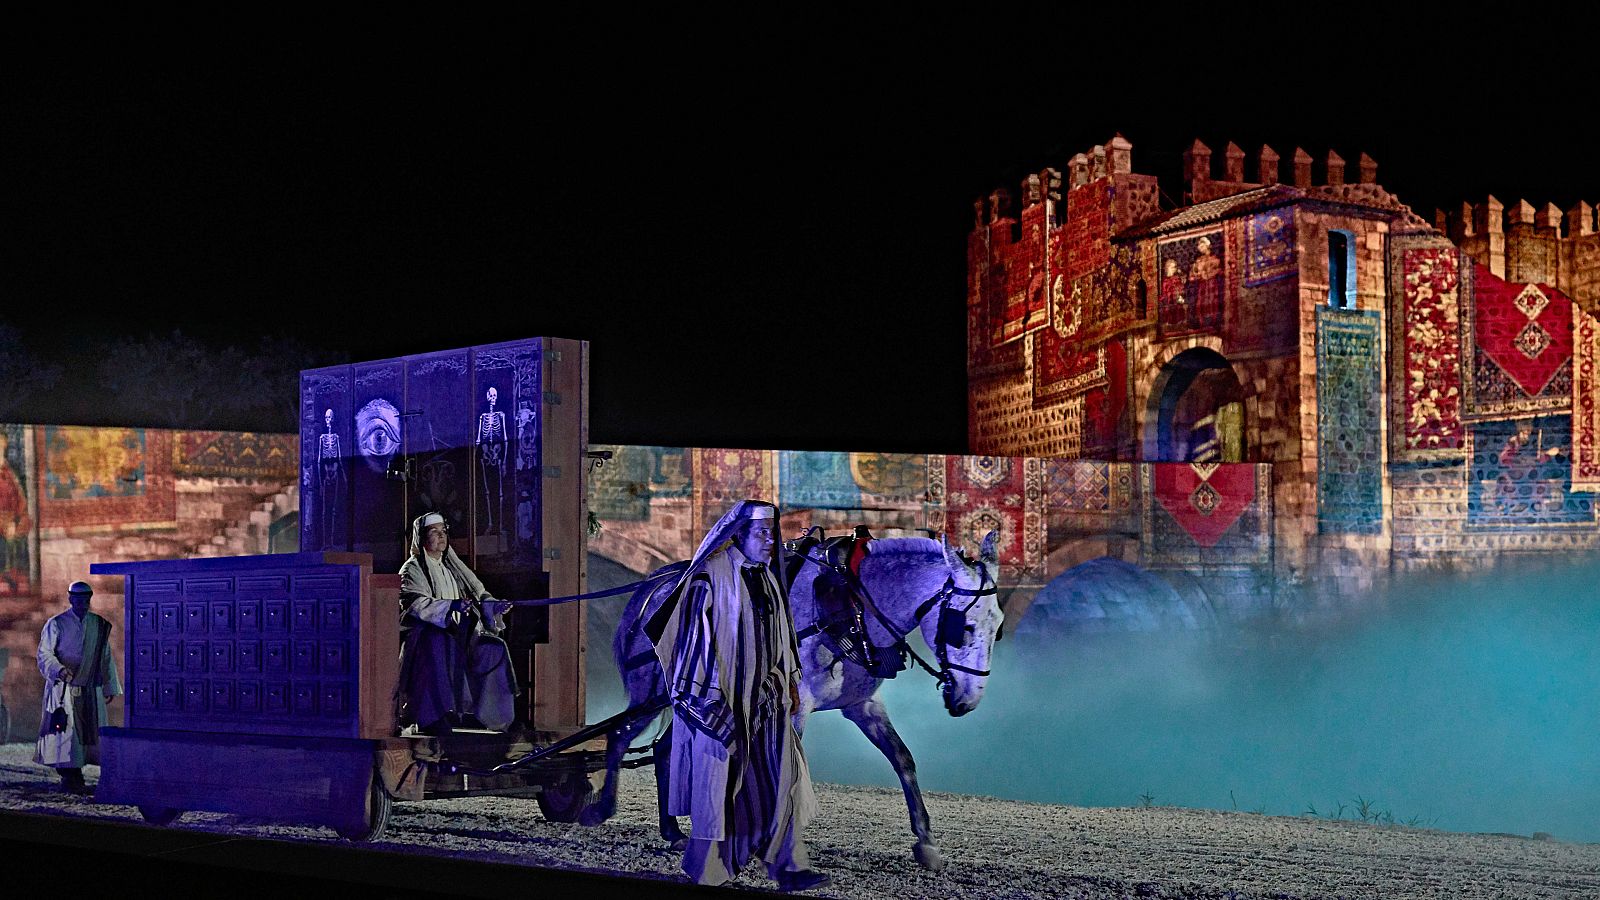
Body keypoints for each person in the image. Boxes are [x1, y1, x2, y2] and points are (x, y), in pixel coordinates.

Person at [644, 499, 826, 891]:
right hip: (722, 702)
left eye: (771, 533)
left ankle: (788, 863)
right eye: (761, 533)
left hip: (766, 701)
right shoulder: (709, 578)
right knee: (717, 787)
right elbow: (694, 645)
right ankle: (706, 868)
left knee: (783, 776)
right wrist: (711, 700)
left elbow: (783, 636)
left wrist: (791, 680)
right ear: (737, 535)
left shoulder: (768, 579)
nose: (769, 541)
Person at [396, 512, 516, 735]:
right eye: (435, 532)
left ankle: (487, 717)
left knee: (494, 649)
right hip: (426, 638)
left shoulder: (453, 568)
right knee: (441, 643)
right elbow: (416, 605)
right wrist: (450, 607)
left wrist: (493, 607)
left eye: (444, 532)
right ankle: (437, 715)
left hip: (463, 635)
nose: (441, 537)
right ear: (422, 538)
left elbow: (478, 594)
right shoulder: (412, 570)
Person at [35, 581, 121, 794]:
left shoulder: (99, 625)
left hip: (90, 687)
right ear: (70, 598)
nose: (82, 603)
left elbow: (105, 657)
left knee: (88, 733)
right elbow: (45, 654)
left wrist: (109, 686)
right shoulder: (56, 624)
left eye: (86, 599)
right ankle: (70, 777)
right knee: (66, 734)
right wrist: (60, 671)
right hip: (63, 687)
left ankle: (81, 775)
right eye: (78, 599)